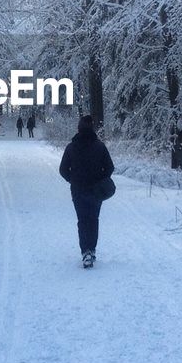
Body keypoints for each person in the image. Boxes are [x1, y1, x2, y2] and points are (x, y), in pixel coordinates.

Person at [58, 115, 114, 268]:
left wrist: (73, 180)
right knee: (93, 219)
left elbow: (63, 170)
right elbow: (110, 167)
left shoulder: (71, 147)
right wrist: (101, 179)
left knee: (82, 221)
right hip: (96, 190)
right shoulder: (100, 146)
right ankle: (92, 249)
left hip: (78, 190)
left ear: (78, 128)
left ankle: (85, 252)